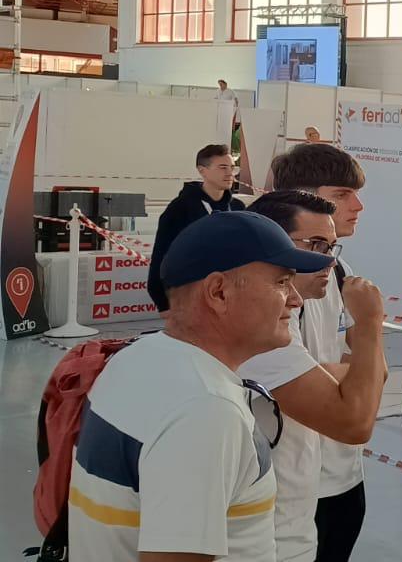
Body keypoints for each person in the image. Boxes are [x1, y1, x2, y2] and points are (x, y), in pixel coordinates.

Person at [68, 211, 333, 562]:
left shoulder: (134, 359)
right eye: (282, 282)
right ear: (218, 292)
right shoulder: (206, 410)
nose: (295, 299)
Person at [237, 191, 388, 562]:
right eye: (316, 245)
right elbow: (354, 419)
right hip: (269, 537)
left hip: (303, 513)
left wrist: (330, 374)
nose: (328, 260)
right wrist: (370, 324)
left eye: (331, 247)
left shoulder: (330, 281)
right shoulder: (258, 327)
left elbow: (373, 375)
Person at [268, 143, 369, 562]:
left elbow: (359, 370)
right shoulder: (270, 289)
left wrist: (339, 373)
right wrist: (370, 332)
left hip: (343, 473)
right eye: (342, 195)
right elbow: (350, 404)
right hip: (289, 486)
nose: (357, 206)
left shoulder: (340, 272)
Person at [147, 144, 246, 313]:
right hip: (191, 299)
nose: (230, 173)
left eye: (232, 168)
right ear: (202, 171)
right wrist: (163, 305)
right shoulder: (180, 209)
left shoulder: (238, 208)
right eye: (222, 167)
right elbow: (161, 258)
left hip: (230, 298)